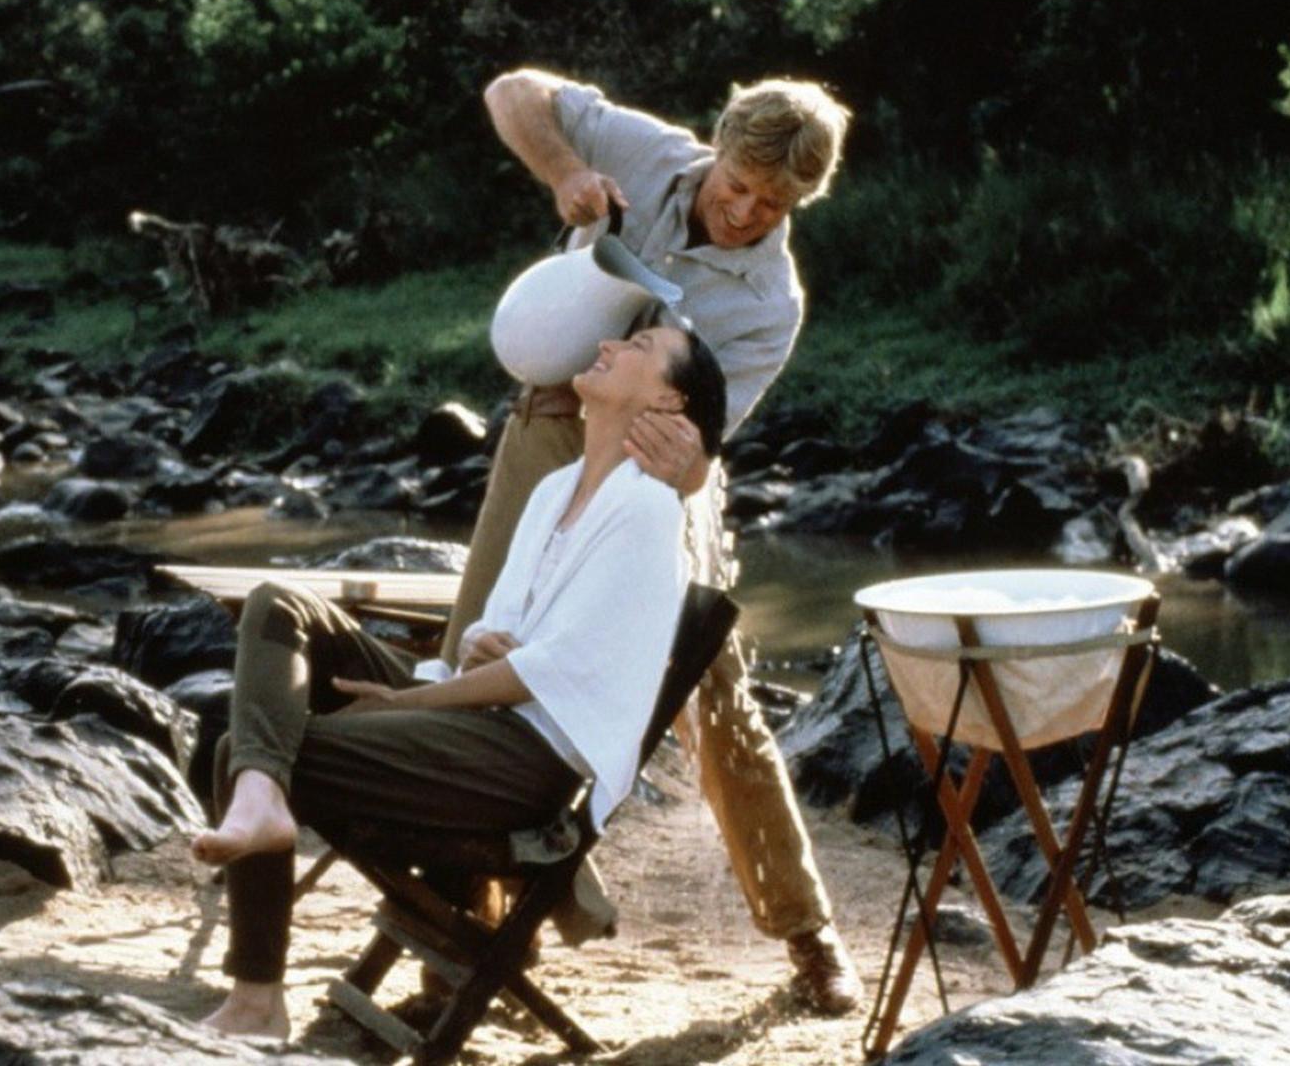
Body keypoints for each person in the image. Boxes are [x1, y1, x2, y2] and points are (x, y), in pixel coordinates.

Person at [443, 68, 863, 1013]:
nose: (744, 213)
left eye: (772, 205)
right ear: (717, 146)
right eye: (737, 186)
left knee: (711, 693)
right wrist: (564, 171)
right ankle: (470, 939)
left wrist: (682, 471)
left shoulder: (770, 303)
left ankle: (807, 933)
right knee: (478, 652)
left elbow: (700, 453)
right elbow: (512, 92)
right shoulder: (643, 150)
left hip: (660, 477)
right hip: (548, 423)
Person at [191, 322, 727, 1039]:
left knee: (245, 749)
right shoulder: (556, 488)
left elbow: (550, 673)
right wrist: (472, 646)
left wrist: (413, 699)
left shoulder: (647, 510)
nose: (608, 345)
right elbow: (492, 633)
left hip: (525, 761)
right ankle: (261, 799)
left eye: (638, 346)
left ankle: (257, 1001)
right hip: (474, 711)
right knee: (278, 606)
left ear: (667, 400)